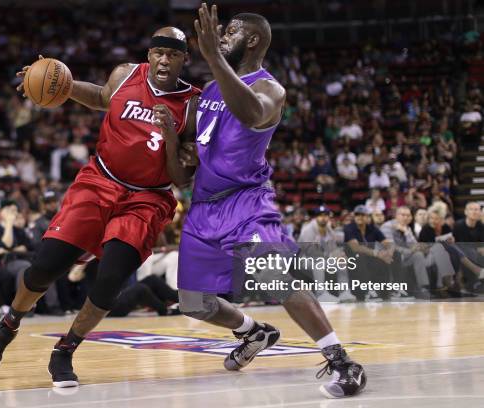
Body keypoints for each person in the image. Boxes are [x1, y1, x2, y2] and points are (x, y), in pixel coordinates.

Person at [157, 5, 365, 398]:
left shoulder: (270, 88)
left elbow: (251, 114)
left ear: (252, 40)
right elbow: (186, 165)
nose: (221, 36)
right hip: (203, 205)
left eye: (230, 31)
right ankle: (254, 332)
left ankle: (342, 360)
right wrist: (176, 143)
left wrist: (215, 59)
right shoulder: (210, 90)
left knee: (272, 276)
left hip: (246, 201)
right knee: (193, 303)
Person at [0, 27, 200, 388]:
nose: (163, 59)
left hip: (147, 197)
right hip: (100, 180)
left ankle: (65, 349)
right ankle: (10, 322)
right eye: (157, 52)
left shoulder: (192, 104)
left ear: (183, 59)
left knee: (110, 280)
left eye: (172, 54)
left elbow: (181, 177)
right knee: (43, 268)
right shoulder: (125, 73)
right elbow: (102, 97)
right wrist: (58, 83)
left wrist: (172, 138)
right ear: (149, 55)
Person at [298, 206, 356, 303]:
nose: (323, 218)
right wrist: (331, 257)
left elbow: (333, 248)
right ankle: (320, 294)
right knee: (318, 262)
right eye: (320, 215)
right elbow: (312, 253)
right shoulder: (308, 230)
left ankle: (344, 292)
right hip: (303, 260)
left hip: (322, 258)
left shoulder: (328, 229)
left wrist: (339, 255)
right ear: (315, 217)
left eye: (325, 215)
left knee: (341, 262)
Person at [344, 205, 395, 302]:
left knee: (391, 256)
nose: (359, 217)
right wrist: (377, 253)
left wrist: (389, 252)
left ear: (368, 217)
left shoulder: (372, 228)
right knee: (361, 257)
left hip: (370, 256)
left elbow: (388, 243)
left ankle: (386, 292)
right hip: (353, 258)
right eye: (357, 215)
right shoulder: (349, 228)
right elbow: (356, 247)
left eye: (362, 215)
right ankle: (366, 291)